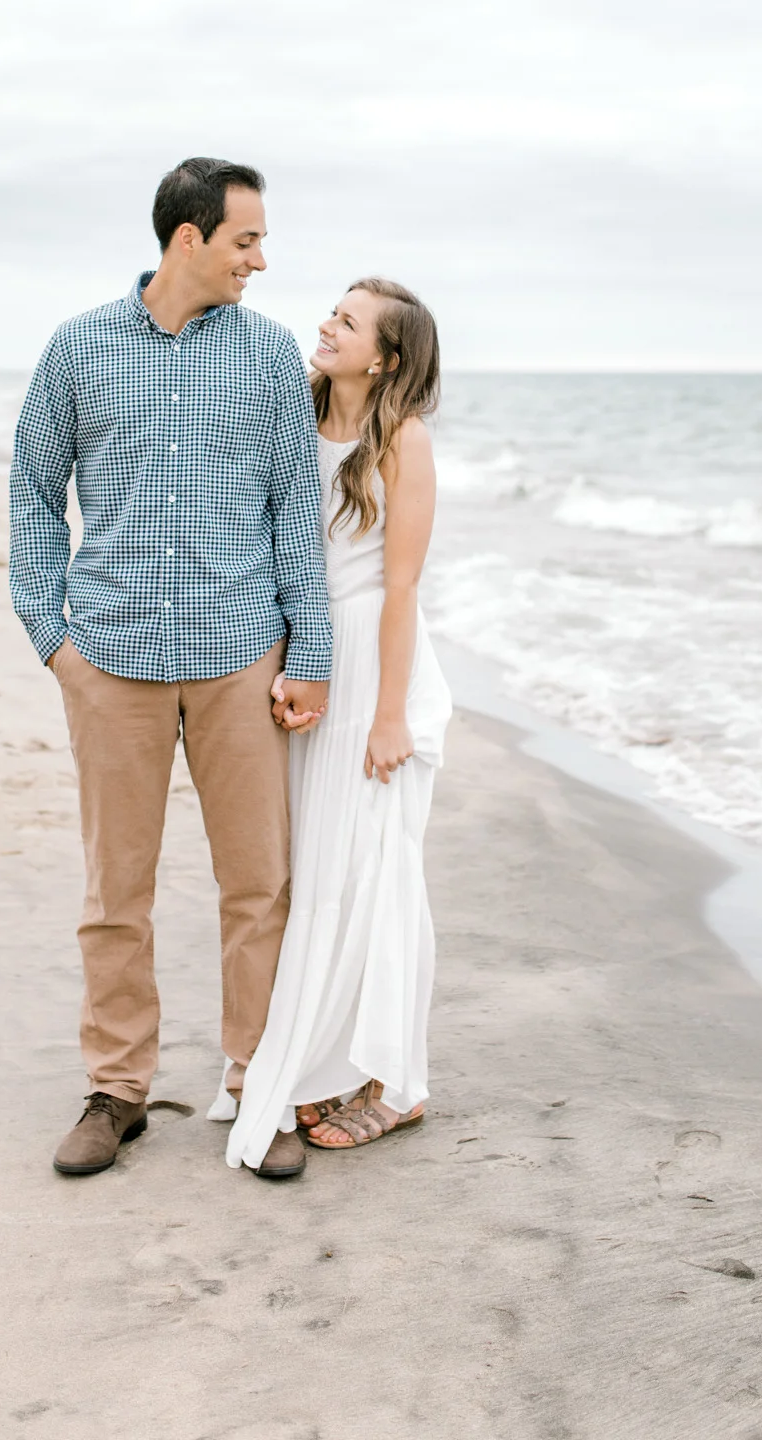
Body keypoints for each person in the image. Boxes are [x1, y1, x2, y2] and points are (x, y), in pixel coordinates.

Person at [9, 157, 332, 1181]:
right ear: (188, 237)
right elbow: (30, 492)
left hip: (243, 654)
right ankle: (117, 1088)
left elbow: (296, 513)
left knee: (259, 885)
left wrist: (310, 654)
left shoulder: (273, 355)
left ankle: (257, 1081)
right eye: (247, 239)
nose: (261, 258)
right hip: (111, 655)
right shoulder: (79, 348)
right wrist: (53, 639)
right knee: (116, 889)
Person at [221, 278, 451, 1176]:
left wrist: (390, 715)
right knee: (311, 869)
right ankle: (318, 1062)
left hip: (375, 667)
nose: (325, 324)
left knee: (375, 869)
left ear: (386, 358)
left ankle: (397, 1084)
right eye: (334, 311)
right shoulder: (297, 410)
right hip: (305, 656)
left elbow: (400, 588)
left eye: (347, 322)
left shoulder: (403, 440)